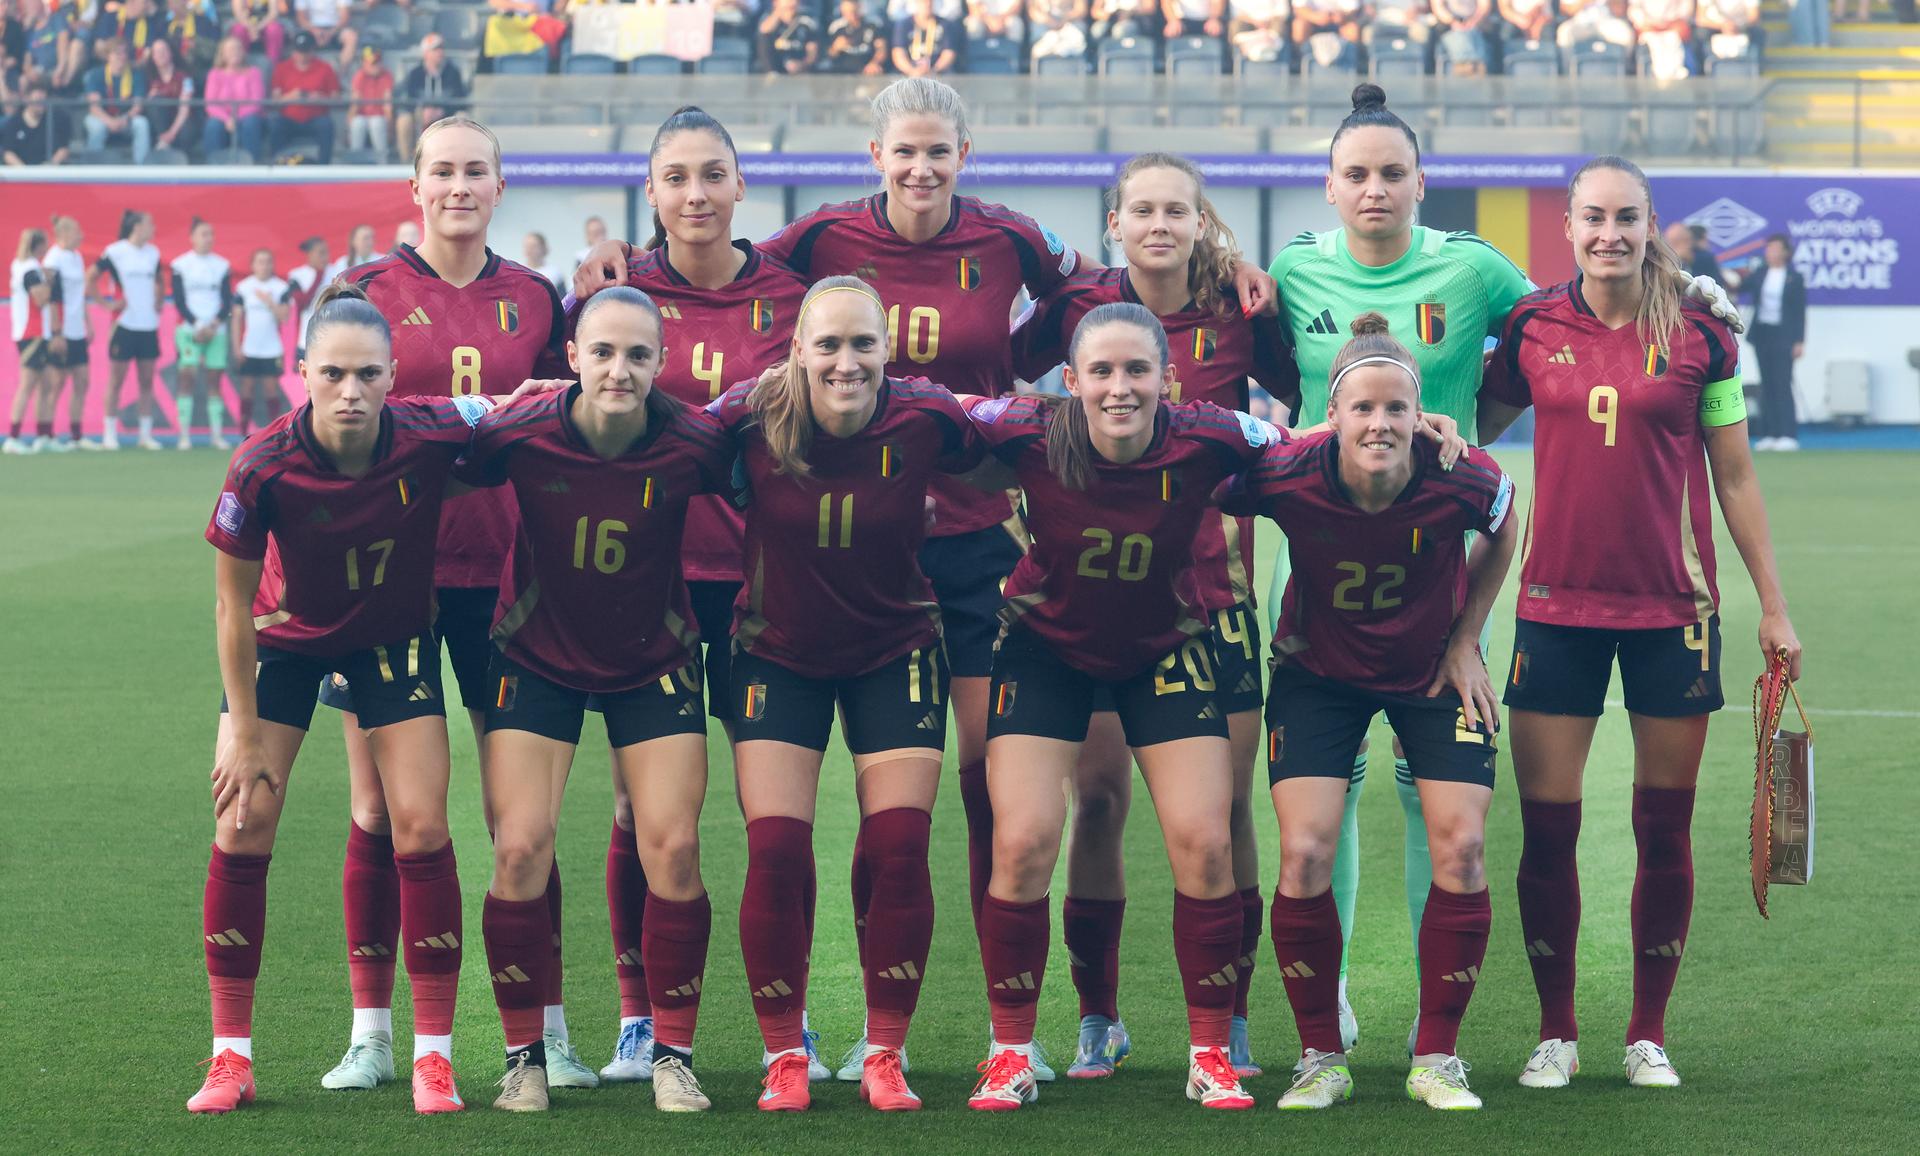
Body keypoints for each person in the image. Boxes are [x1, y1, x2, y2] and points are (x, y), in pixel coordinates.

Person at [571, 79, 1273, 1078]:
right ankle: (659, 1021)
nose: (921, 167)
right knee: (682, 810)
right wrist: (618, 259)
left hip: (973, 544)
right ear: (876, 156)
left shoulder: (1010, 237)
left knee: (990, 789)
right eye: (904, 150)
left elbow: (1098, 293)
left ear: (963, 154)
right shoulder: (821, 240)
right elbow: (715, 257)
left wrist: (1215, 260)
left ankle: (1006, 1033)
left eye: (938, 150)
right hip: (822, 550)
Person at [1476, 154, 1802, 1092]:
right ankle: (1557, 1033)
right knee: (1548, 829)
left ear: (1650, 225)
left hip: (1674, 611)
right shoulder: (1532, 325)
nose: (1609, 234)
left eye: (1626, 218)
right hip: (1554, 606)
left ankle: (1647, 1034)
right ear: (1568, 227)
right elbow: (1476, 422)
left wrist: (1773, 604)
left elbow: (1734, 476)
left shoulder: (1704, 335)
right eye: (1593, 217)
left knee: (1664, 828)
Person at [1008, 151, 1298, 1080]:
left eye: (1179, 209)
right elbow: (1000, 380)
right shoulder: (1076, 309)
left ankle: (1232, 1021)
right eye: (1143, 210)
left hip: (1214, 596)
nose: (1160, 224)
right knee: (1096, 799)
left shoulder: (1241, 305)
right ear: (1116, 224)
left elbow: (1307, 401)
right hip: (1097, 597)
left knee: (1224, 814)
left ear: (1202, 222)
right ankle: (1099, 1018)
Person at [188, 281, 505, 1116]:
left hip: (391, 642)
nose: (351, 390)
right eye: (333, 373)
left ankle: (433, 1059)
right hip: (285, 643)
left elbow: (504, 411)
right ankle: (230, 1058)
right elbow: (229, 606)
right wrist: (244, 735)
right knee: (242, 821)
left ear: (394, 375)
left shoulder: (428, 428)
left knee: (421, 825)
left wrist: (561, 391)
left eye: (368, 373)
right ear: (302, 372)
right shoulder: (260, 463)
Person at [1265, 82, 1535, 1054]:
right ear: (1329, 186)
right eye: (1357, 174)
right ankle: (1328, 993)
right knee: (1321, 797)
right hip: (1319, 557)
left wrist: (1479, 427)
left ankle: (1434, 1013)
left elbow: (1562, 326)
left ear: (1422, 182)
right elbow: (1263, 373)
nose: (1374, 189)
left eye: (1392, 173)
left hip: (1443, 563)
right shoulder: (1294, 270)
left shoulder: (1470, 267)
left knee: (1439, 801)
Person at [964, 304, 1275, 1112]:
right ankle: (1009, 1052)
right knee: (1023, 841)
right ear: (1070, 381)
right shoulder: (1031, 429)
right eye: (1100, 371)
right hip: (1045, 648)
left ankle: (1210, 1053)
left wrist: (1421, 433)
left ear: (1168, 380)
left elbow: (1310, 449)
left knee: (1207, 840)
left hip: (1163, 646)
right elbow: (930, 410)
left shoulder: (1210, 433)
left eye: (1137, 369)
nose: (1119, 387)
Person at [326, 114, 580, 1095]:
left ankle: (548, 1028)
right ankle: (373, 1033)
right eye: (443, 171)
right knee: (379, 809)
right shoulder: (365, 293)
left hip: (511, 582)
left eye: (477, 170)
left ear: (500, 186)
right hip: (388, 581)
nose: (460, 186)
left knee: (522, 817)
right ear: (415, 186)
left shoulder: (538, 299)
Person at [569, 105, 811, 1086]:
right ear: (651, 191)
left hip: (768, 587)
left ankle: (788, 1028)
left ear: (741, 185)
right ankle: (639, 1021)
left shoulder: (794, 298)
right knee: (641, 811)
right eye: (676, 177)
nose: (697, 193)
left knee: (772, 818)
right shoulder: (617, 296)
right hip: (650, 585)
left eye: (713, 174)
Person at [1224, 313, 1514, 1112]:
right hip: (1318, 675)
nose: (1380, 423)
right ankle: (1320, 1056)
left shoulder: (1458, 472)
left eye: (1396, 409)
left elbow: (1503, 522)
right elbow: (1213, 482)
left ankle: (1438, 1057)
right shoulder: (1290, 471)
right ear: (1333, 416)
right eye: (1362, 408)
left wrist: (1467, 638)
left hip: (1430, 671)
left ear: (1421, 417)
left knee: (1464, 847)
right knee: (1305, 852)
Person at [712, 276, 989, 1113]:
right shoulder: (748, 415)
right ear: (798, 349)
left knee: (901, 845)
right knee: (777, 850)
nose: (846, 361)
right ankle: (784, 1053)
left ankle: (885, 1051)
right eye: (828, 344)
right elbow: (651, 436)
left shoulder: (927, 414)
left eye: (862, 344)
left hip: (894, 649)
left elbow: (1024, 440)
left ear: (887, 350)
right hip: (776, 652)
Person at [457, 288, 729, 1116]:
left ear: (661, 363)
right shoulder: (520, 428)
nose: (620, 370)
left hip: (654, 658)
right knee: (519, 850)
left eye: (638, 355)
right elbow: (429, 459)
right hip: (536, 654)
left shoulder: (695, 441)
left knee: (674, 849)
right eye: (603, 352)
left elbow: (776, 478)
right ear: (571, 357)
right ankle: (524, 1060)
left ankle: (672, 1057)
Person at [97, 207, 165, 450]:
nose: (153, 228)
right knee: (116, 380)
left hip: (148, 325)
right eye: (150, 224)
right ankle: (109, 434)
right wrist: (106, 304)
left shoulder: (153, 253)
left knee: (146, 381)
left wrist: (158, 300)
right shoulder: (115, 251)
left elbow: (159, 279)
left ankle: (145, 435)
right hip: (124, 324)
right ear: (137, 227)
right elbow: (90, 276)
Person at [169, 217, 235, 449]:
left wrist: (213, 325)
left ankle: (216, 436)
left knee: (214, 380)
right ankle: (183, 436)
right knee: (187, 376)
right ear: (192, 238)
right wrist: (198, 325)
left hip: (216, 332)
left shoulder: (222, 265)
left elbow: (227, 301)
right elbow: (179, 301)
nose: (208, 238)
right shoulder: (180, 265)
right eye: (203, 234)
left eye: (211, 234)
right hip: (189, 331)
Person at [1746, 233, 1806, 452]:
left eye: (1775, 248)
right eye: (1768, 248)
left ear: (1786, 252)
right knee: (1767, 383)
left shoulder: (1794, 278)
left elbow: (1799, 311)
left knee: (1782, 383)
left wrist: (1799, 340)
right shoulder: (1760, 273)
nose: (1770, 252)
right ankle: (1769, 433)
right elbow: (1740, 286)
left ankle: (1787, 433)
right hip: (1763, 333)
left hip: (1784, 335)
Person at [43, 215, 97, 448]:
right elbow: (51, 298)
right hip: (61, 330)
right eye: (77, 231)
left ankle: (76, 436)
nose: (81, 235)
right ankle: (47, 434)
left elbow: (79, 295)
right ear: (63, 234)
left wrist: (88, 323)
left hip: (77, 330)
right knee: (57, 383)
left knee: (82, 380)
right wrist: (56, 332)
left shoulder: (77, 257)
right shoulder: (53, 259)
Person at [4, 226, 58, 454]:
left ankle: (43, 435)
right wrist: (49, 282)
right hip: (31, 333)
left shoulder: (21, 265)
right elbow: (41, 299)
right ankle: (13, 437)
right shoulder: (30, 269)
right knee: (27, 385)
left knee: (47, 384)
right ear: (39, 246)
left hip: (36, 333)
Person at [229, 246, 290, 438]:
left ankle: (276, 433)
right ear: (253, 265)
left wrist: (269, 302)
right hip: (249, 348)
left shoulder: (280, 287)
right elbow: (237, 319)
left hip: (271, 349)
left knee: (271, 390)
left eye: (268, 262)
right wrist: (237, 347)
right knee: (246, 389)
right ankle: (243, 432)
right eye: (260, 262)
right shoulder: (244, 287)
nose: (264, 266)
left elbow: (284, 316)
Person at [269, 31, 340, 164]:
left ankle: (323, 167)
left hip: (315, 118)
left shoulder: (325, 68)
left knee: (326, 125)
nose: (302, 55)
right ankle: (278, 164)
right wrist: (290, 97)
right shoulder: (281, 68)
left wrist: (320, 98)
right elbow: (274, 101)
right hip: (289, 119)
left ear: (312, 50)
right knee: (276, 125)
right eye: (299, 51)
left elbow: (335, 98)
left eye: (305, 51)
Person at [395, 34, 468, 151]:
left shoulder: (453, 73)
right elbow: (409, 100)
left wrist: (442, 111)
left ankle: (459, 155)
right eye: (435, 49)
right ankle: (406, 158)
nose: (440, 52)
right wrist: (422, 111)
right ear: (426, 53)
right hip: (420, 115)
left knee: (463, 117)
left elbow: (460, 101)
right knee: (404, 120)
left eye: (441, 48)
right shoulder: (415, 74)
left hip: (447, 115)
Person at [84, 39, 152, 162]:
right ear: (108, 56)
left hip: (126, 117)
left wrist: (125, 118)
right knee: (97, 128)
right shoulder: (95, 74)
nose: (122, 57)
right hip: (101, 117)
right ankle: (93, 166)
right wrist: (110, 121)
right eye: (117, 53)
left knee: (142, 124)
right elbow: (94, 107)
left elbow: (138, 106)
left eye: (124, 53)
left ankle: (141, 166)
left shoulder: (136, 74)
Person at [202, 35, 268, 161]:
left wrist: (236, 118)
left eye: (238, 49)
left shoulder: (254, 73)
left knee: (251, 122)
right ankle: (213, 165)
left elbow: (256, 102)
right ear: (223, 54)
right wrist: (227, 119)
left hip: (247, 116)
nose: (235, 52)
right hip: (223, 118)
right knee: (213, 125)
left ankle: (252, 163)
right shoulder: (214, 74)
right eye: (231, 50)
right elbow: (211, 104)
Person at [1, 78, 73, 165]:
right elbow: (8, 153)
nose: (41, 104)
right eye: (37, 100)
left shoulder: (56, 120)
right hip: (21, 171)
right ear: (26, 99)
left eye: (43, 100)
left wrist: (49, 166)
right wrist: (25, 171)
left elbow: (63, 149)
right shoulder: (13, 123)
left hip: (50, 171)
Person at [143, 36, 194, 153]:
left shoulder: (185, 77)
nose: (160, 55)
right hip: (159, 123)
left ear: (171, 53)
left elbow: (184, 108)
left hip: (181, 120)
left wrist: (172, 132)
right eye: (156, 52)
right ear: (152, 57)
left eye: (163, 50)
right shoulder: (148, 77)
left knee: (186, 130)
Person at [349, 44, 395, 159]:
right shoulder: (359, 76)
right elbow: (355, 105)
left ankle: (382, 161)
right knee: (357, 123)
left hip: (380, 116)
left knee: (376, 123)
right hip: (363, 116)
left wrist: (390, 129)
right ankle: (355, 161)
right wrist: (347, 129)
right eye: (373, 63)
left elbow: (387, 106)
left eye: (378, 62)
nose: (376, 66)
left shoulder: (386, 75)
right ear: (364, 63)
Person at [891, 0, 961, 75]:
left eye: (930, 1)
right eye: (924, 2)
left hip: (938, 74)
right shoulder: (904, 25)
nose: (927, 4)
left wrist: (934, 70)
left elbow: (948, 53)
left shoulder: (945, 24)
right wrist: (911, 71)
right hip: (909, 73)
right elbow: (898, 53)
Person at [824, 0, 888, 73]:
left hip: (867, 71)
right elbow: (829, 55)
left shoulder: (873, 25)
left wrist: (875, 63)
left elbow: (881, 49)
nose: (851, 15)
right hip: (841, 72)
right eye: (847, 13)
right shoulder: (836, 27)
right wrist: (835, 48)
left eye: (854, 12)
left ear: (860, 8)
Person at [755, 0, 818, 73]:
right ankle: (772, 73)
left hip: (800, 68)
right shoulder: (768, 17)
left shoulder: (806, 19)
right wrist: (779, 11)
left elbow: (812, 51)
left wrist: (802, 64)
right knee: (764, 39)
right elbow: (764, 31)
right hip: (776, 66)